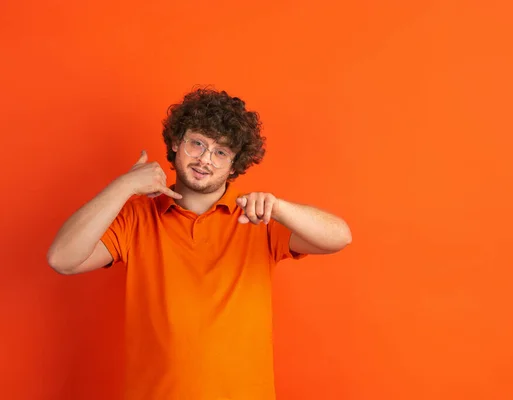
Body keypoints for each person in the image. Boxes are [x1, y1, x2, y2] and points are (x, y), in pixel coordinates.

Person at [46, 87, 352, 400]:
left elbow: (339, 236)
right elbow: (62, 259)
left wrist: (279, 207)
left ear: (234, 165)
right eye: (197, 144)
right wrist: (124, 186)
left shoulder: (257, 218)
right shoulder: (136, 218)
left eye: (221, 152)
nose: (205, 159)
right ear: (177, 143)